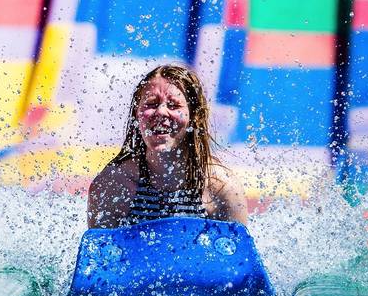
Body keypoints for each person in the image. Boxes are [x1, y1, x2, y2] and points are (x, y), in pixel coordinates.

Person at [87, 64, 248, 228]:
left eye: (173, 105)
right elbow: (97, 252)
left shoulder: (221, 188)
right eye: (151, 104)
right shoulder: (113, 185)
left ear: (194, 117)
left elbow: (238, 252)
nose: (161, 112)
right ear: (137, 114)